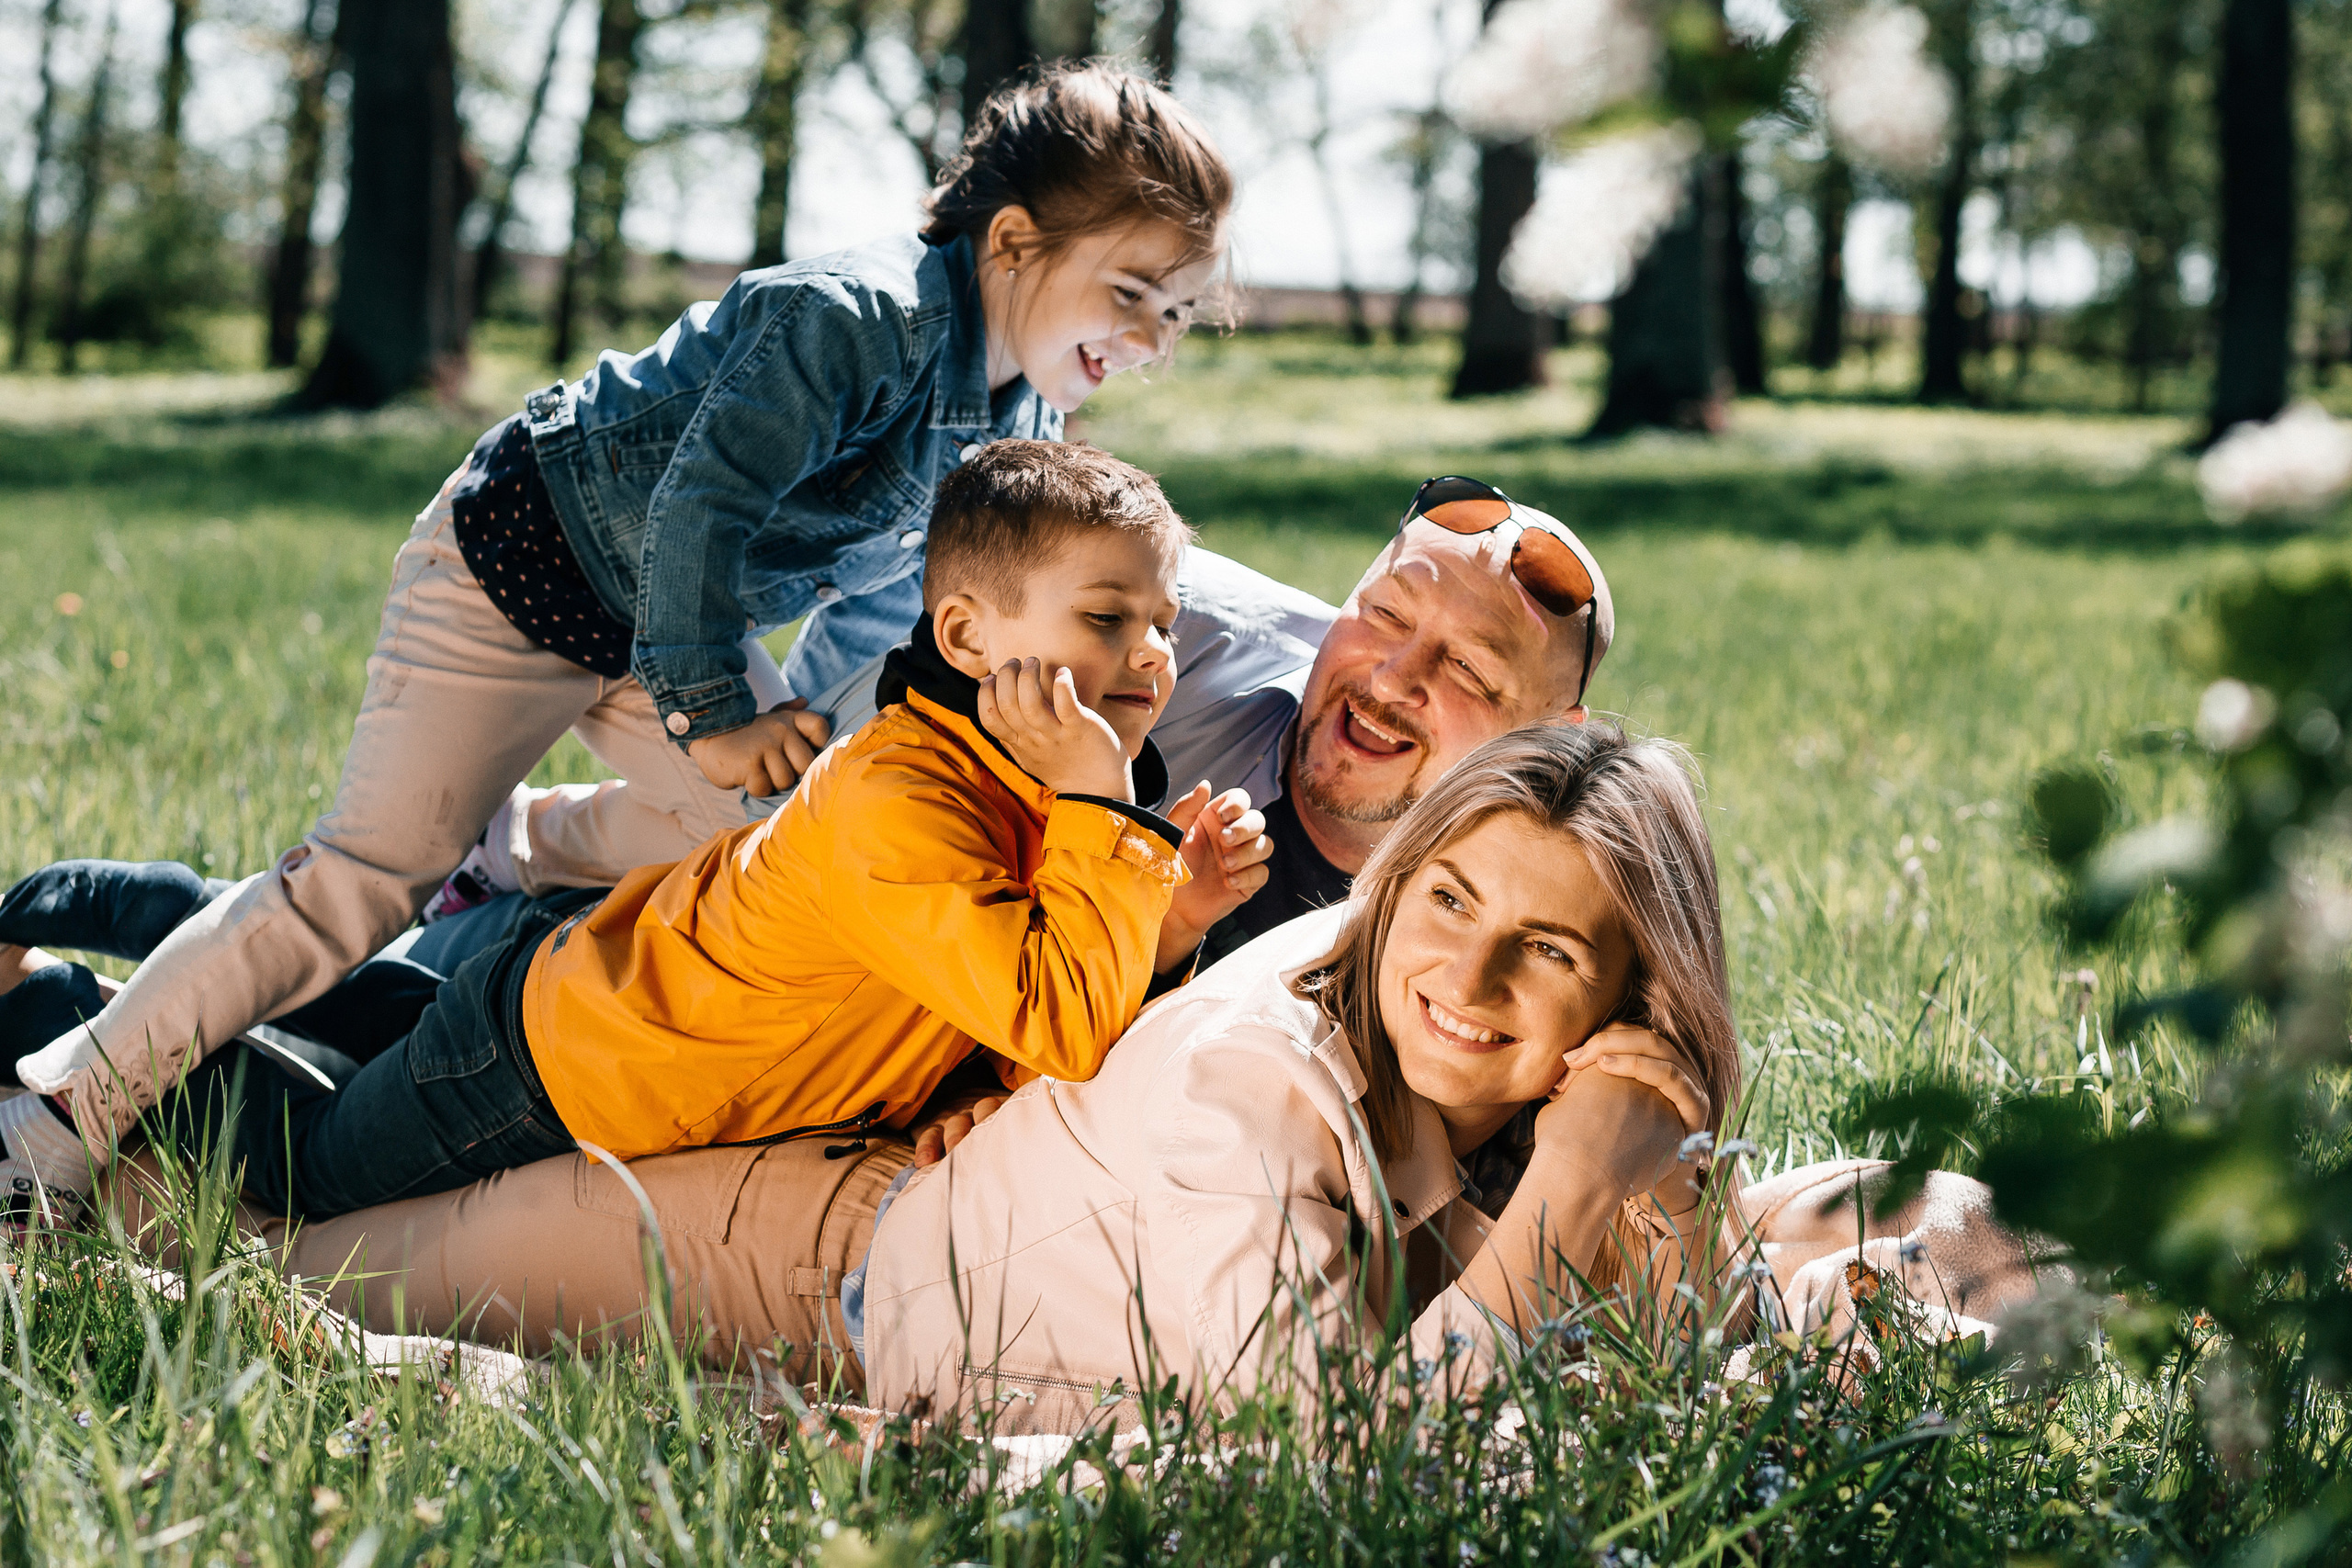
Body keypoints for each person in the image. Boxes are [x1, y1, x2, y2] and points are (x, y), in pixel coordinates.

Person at [14, 63, 1235, 1161]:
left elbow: (888, 603)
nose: (1150, 338)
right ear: (1012, 241)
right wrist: (715, 714)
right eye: (1131, 291)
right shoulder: (857, 319)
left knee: (763, 847)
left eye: (1175, 313)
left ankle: (512, 850)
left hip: (671, 628)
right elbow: (701, 506)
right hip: (526, 566)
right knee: (361, 885)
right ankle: (59, 1119)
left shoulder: (1018, 421)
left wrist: (828, 740)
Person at [107, 723, 1736, 1419]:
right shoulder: (1266, 1089)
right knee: (246, 1274)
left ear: (1631, 995)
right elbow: (1354, 1472)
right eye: (1447, 902)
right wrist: (1576, 1189)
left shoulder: (1542, 1102)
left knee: (291, 1222)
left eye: (1549, 948)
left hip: (892, 1270)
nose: (1469, 978)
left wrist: (1643, 1189)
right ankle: (65, 1054)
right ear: (1400, 888)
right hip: (785, 1256)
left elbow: (1650, 1361)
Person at [10, 443, 1274, 1222]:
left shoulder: (1031, 792)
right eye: (1107, 619)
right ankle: (55, 1010)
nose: (1150, 657)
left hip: (582, 1001)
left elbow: (1043, 983)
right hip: (564, 1069)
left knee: (357, 1018)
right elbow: (1051, 1015)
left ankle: (151, 912)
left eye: (1163, 625)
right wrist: (1112, 813)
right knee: (304, 1175)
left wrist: (1172, 919)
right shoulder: (909, 800)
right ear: (965, 638)